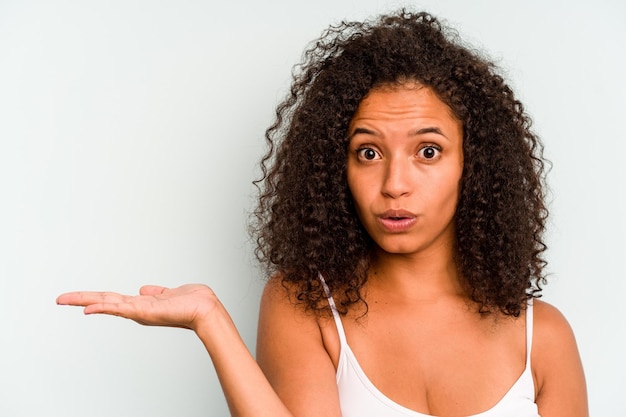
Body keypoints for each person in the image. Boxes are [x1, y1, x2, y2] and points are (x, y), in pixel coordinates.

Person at [56, 9, 588, 417]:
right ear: (337, 169)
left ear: (475, 165)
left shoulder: (542, 337)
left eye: (428, 151)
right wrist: (211, 321)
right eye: (368, 152)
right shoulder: (306, 307)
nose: (394, 184)